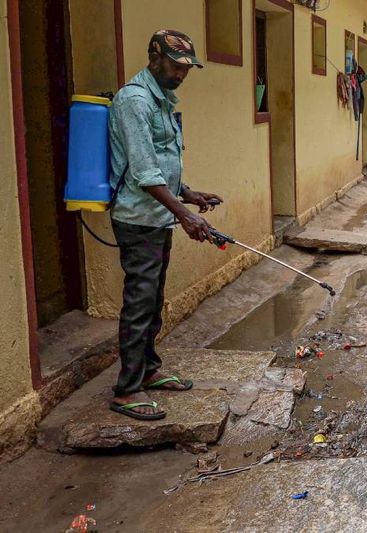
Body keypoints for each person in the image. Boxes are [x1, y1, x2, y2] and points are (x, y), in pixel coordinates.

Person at [108, 30, 222, 420]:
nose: (181, 75)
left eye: (186, 68)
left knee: (153, 300)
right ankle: (126, 390)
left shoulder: (161, 100)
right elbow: (142, 169)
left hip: (158, 216)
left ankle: (149, 369)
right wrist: (184, 215)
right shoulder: (135, 101)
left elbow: (162, 164)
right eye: (175, 66)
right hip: (138, 219)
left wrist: (189, 195)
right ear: (154, 57)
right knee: (139, 303)